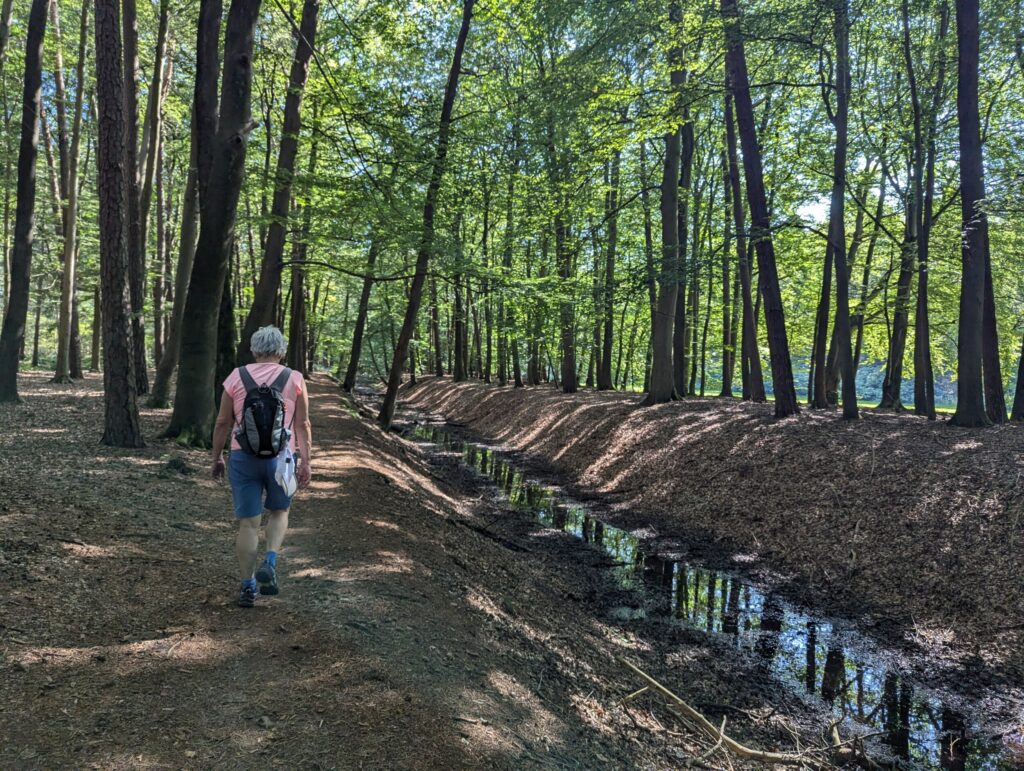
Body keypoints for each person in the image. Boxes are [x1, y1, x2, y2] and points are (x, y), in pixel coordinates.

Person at [211, 326, 313, 607]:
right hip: (282, 458)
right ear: (281, 351)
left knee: (248, 523)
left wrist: (216, 457)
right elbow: (303, 424)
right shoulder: (294, 378)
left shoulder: (236, 377)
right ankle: (270, 560)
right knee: (280, 511)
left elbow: (222, 422)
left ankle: (247, 587)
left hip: (243, 456)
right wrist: (306, 460)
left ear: (254, 350)